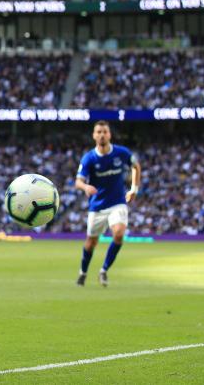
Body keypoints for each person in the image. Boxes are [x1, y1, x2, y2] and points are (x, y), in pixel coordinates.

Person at [75, 120, 141, 287]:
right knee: (91, 243)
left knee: (119, 234)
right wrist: (85, 186)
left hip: (117, 203)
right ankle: (83, 272)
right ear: (94, 135)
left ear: (109, 134)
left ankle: (104, 270)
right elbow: (78, 181)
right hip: (97, 206)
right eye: (99, 132)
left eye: (105, 131)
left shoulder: (121, 153)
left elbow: (136, 165)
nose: (102, 134)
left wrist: (134, 188)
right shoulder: (89, 158)